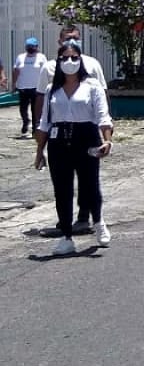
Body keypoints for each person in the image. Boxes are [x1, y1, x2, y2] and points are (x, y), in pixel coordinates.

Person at [32, 40, 113, 255]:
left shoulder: (92, 86)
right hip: (59, 141)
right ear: (58, 62)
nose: (69, 62)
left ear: (81, 60)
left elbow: (103, 116)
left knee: (89, 185)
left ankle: (97, 221)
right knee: (62, 190)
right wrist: (40, 151)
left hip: (86, 137)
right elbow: (44, 123)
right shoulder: (52, 89)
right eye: (65, 58)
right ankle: (66, 236)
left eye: (74, 58)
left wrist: (106, 140)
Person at [13, 37, 47, 138]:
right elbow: (16, 71)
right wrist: (14, 84)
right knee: (23, 108)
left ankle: (34, 129)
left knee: (35, 109)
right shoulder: (20, 57)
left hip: (36, 88)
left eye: (32, 46)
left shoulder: (41, 57)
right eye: (28, 46)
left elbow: (45, 71)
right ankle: (25, 121)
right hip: (23, 86)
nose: (30, 48)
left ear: (36, 47)